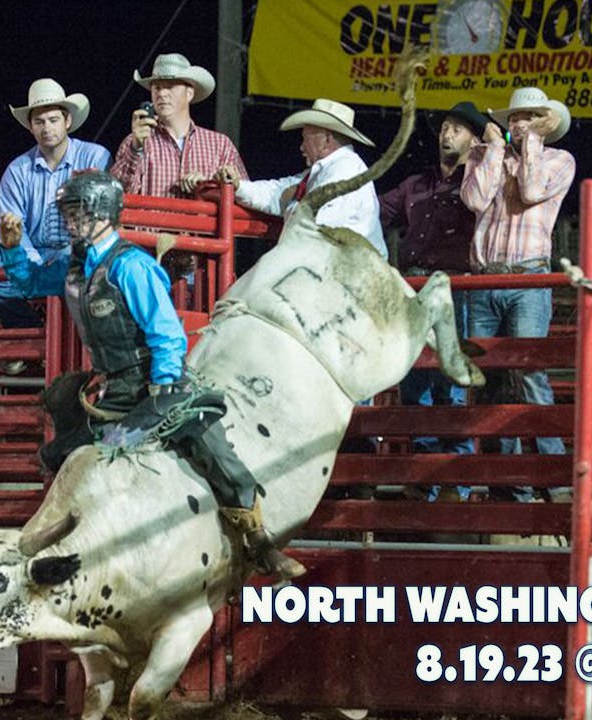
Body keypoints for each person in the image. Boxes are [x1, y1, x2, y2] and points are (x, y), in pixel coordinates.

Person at [26, 170, 303, 581]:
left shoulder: (132, 267)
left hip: (152, 380)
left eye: (77, 212)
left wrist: (166, 379)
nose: (70, 222)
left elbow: (165, 331)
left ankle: (258, 539)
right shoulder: (76, 269)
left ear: (101, 214)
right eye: (68, 213)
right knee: (58, 454)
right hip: (113, 388)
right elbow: (26, 281)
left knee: (206, 441)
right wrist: (13, 249)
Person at [460, 87, 575, 502]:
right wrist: (493, 150)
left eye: (529, 117)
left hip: (528, 279)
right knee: (490, 378)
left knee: (528, 371)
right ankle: (506, 481)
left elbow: (530, 191)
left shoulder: (559, 160)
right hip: (485, 278)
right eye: (515, 117)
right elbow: (473, 199)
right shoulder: (483, 155)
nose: (519, 123)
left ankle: (553, 475)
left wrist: (529, 145)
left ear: (543, 123)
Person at [378, 101, 489, 500]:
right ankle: (426, 477)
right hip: (415, 286)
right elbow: (376, 211)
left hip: (457, 286)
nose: (447, 134)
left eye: (458, 129)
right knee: (416, 383)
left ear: (475, 141)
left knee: (450, 383)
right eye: (445, 127)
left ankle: (454, 482)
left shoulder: (478, 182)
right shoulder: (415, 184)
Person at [0, 78, 110, 340]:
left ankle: (73, 337)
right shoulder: (17, 170)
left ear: (67, 121)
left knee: (79, 258)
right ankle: (28, 332)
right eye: (40, 122)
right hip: (34, 252)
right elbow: (9, 227)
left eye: (53, 120)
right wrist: (33, 263)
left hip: (75, 248)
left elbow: (101, 214)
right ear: (31, 128)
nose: (47, 128)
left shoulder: (95, 156)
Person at [218, 98, 386, 258]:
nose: (301, 147)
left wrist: (292, 201)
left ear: (326, 140)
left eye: (305, 139)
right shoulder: (328, 169)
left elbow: (312, 223)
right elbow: (279, 191)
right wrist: (239, 186)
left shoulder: (345, 168)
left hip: (350, 270)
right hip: (339, 266)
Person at [110, 53, 247, 198]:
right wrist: (135, 150)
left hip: (198, 221)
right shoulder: (134, 143)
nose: (162, 93)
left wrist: (208, 186)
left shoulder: (220, 145)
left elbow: (244, 197)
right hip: (153, 221)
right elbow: (116, 195)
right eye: (157, 88)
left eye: (171, 87)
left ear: (189, 93)